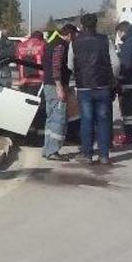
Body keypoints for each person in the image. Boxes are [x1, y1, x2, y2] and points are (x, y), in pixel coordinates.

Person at [69, 13, 120, 164]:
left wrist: (78, 74)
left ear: (82, 26)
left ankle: (87, 154)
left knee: (87, 120)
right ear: (96, 24)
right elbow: (116, 64)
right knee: (103, 120)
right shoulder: (105, 40)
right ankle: (104, 155)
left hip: (84, 86)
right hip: (102, 85)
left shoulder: (75, 42)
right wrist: (112, 79)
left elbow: (70, 64)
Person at [41, 24, 77, 160]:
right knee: (59, 119)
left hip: (48, 85)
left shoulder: (50, 44)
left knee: (51, 119)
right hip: (55, 86)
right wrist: (59, 87)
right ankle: (53, 151)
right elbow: (56, 67)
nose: (73, 39)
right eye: (73, 36)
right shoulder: (61, 46)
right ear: (69, 35)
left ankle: (47, 149)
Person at [113, 21, 132, 146]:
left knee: (127, 112)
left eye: (119, 33)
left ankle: (130, 136)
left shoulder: (127, 45)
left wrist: (117, 78)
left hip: (127, 82)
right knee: (131, 110)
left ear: (122, 31)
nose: (118, 36)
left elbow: (125, 65)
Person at [15, 31, 46, 95]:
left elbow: (16, 61)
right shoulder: (44, 45)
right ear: (41, 38)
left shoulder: (19, 45)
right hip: (39, 81)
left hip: (23, 81)